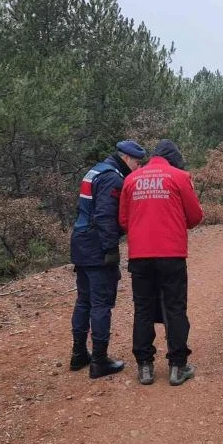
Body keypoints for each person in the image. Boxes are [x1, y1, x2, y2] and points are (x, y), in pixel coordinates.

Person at [119, 139, 203, 386]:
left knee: (143, 309)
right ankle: (178, 366)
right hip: (171, 254)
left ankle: (145, 366)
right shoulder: (180, 176)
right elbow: (195, 216)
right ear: (174, 158)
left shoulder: (131, 179)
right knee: (175, 308)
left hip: (140, 255)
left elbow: (123, 220)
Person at [70, 140, 147, 379]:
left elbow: (85, 209)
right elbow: (104, 215)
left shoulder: (96, 170)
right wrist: (110, 248)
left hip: (80, 241)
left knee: (84, 300)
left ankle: (79, 353)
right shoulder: (113, 178)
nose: (138, 167)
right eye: (137, 162)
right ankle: (100, 360)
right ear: (126, 158)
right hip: (96, 246)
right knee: (101, 303)